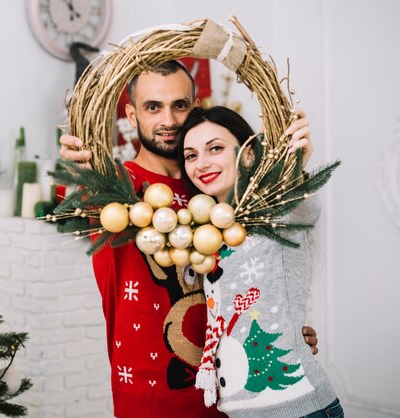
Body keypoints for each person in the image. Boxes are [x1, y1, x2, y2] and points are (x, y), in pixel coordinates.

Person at [59, 60, 318, 418]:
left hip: (236, 399)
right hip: (149, 401)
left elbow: (265, 265)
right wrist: (76, 166)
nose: (168, 120)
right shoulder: (113, 186)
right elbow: (74, 195)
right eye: (153, 107)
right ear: (132, 115)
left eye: (179, 105)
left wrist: (286, 328)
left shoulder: (216, 184)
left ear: (194, 107)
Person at [179, 106, 342, 418]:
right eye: (191, 155)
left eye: (215, 148)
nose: (201, 163)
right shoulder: (207, 236)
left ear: (249, 154)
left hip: (298, 410)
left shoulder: (275, 211)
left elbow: (303, 208)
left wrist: (295, 166)